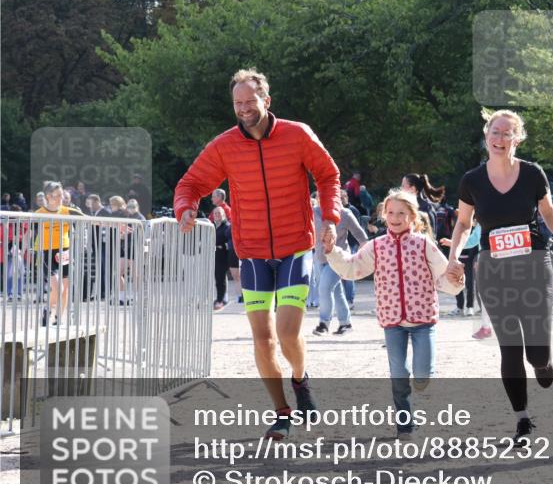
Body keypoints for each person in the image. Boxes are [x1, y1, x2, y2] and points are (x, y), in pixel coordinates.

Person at [174, 67, 342, 440]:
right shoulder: (224, 145)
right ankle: (281, 411)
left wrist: (330, 218)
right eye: (238, 103)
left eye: (251, 101)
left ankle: (300, 380)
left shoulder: (297, 135)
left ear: (266, 100)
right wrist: (185, 206)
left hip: (294, 247)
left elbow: (328, 175)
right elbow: (192, 183)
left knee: (286, 334)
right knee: (262, 340)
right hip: (251, 253)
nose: (245, 108)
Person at [445, 109, 553, 446]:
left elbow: (548, 212)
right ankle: (522, 419)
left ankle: (544, 363)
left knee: (537, 354)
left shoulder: (533, 174)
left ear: (517, 139)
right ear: (486, 135)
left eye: (507, 133)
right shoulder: (471, 180)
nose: (499, 138)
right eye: (495, 131)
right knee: (509, 347)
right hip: (494, 269)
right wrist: (454, 255)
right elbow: (463, 223)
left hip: (534, 266)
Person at [328, 189, 462, 440]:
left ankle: (421, 378)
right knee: (399, 375)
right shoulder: (376, 247)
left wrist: (457, 279)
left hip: (423, 320)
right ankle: (405, 425)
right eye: (390, 212)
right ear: (384, 215)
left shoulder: (424, 245)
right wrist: (332, 251)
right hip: (392, 321)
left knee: (421, 377)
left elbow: (444, 278)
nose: (395, 217)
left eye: (401, 213)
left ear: (412, 217)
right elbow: (352, 268)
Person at [312, 190, 368, 336]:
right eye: (318, 196)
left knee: (324, 289)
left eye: (323, 196)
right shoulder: (314, 212)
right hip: (320, 258)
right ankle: (346, 323)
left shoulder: (345, 214)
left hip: (339, 259)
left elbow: (362, 237)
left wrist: (362, 260)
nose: (319, 198)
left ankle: (323, 324)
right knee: (336, 292)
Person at [35, 181, 85, 326]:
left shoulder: (67, 211)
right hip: (47, 252)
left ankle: (58, 319)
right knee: (58, 288)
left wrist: (117, 224)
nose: (61, 199)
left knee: (65, 289)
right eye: (57, 196)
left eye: (62, 195)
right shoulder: (39, 214)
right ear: (48, 196)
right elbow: (26, 228)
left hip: (64, 252)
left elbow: (92, 220)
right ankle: (48, 309)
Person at [211, 207, 231, 310]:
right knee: (217, 279)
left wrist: (221, 246)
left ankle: (220, 300)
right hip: (214, 256)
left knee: (220, 279)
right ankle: (218, 298)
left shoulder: (227, 226)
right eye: (215, 213)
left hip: (223, 256)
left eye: (219, 213)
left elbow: (230, 242)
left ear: (223, 214)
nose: (217, 215)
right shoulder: (212, 226)